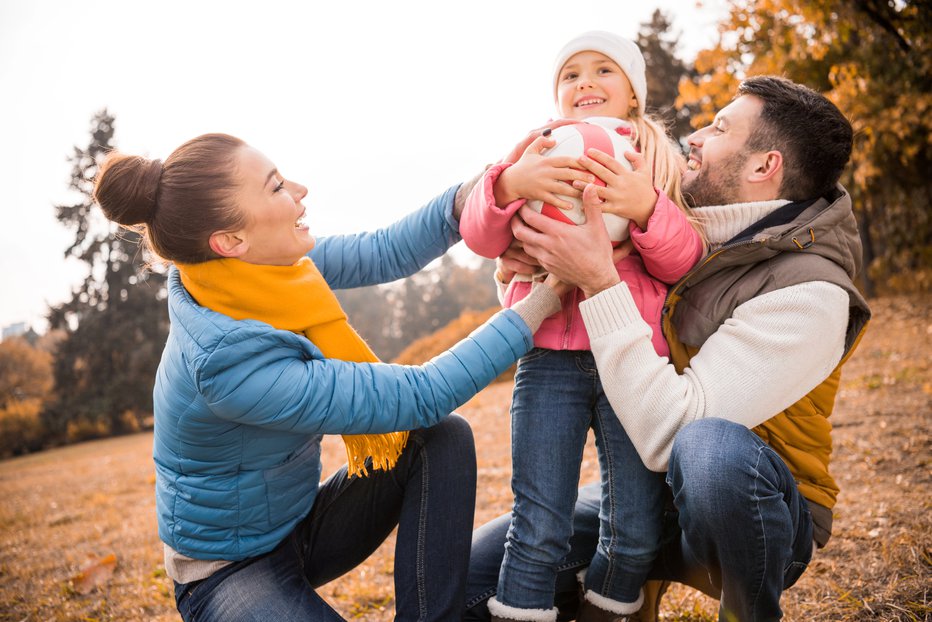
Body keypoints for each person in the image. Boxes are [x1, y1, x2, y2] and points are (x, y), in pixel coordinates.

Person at [92, 132, 563, 622]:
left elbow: (385, 251)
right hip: (228, 571)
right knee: (428, 414)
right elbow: (422, 393)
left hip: (299, 526)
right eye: (276, 188)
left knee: (439, 437)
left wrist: (486, 190)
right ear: (230, 240)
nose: (299, 191)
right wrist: (541, 303)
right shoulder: (224, 364)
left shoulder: (252, 272)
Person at [465, 75, 871, 622]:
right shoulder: (688, 230)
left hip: (750, 506)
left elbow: (673, 432)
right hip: (651, 490)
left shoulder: (811, 294)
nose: (696, 137)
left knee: (710, 451)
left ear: (763, 166)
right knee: (474, 575)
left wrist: (598, 280)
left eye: (719, 127)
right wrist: (525, 265)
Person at [459, 31, 705, 622]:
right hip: (549, 359)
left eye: (603, 71)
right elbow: (480, 234)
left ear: (634, 98)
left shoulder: (657, 162)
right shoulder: (535, 152)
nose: (585, 82)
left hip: (631, 361)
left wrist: (644, 207)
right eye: (571, 75)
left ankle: (608, 612)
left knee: (636, 526)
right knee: (538, 521)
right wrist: (508, 184)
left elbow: (684, 262)